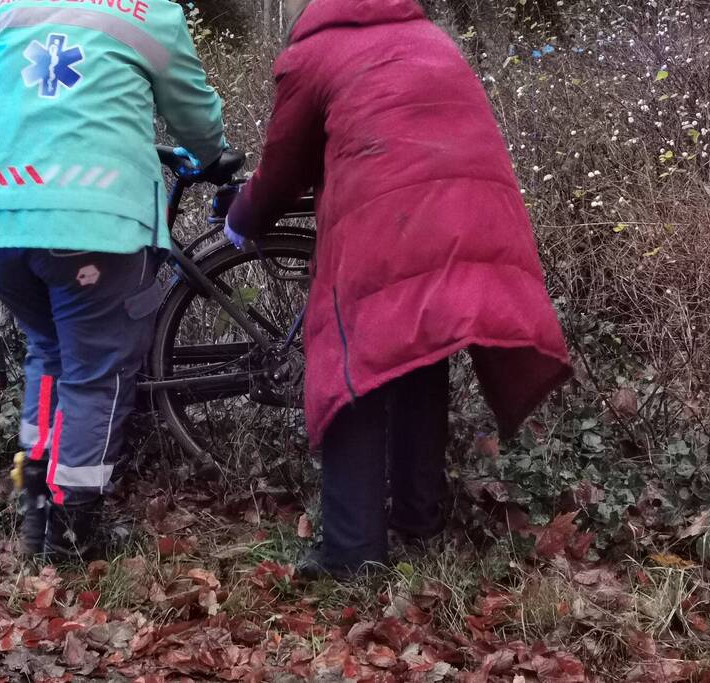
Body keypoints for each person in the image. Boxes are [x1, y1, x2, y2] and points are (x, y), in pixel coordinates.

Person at [222, 0, 573, 578]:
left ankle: (352, 553)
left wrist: (240, 218)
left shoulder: (314, 53)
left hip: (393, 223)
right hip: (473, 216)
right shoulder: (432, 39)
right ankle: (419, 519)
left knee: (351, 369)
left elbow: (283, 168)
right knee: (419, 352)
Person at [0, 0, 226, 561]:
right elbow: (194, 115)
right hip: (98, 227)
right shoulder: (148, 11)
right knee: (96, 372)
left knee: (48, 352)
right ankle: (70, 535)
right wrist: (213, 156)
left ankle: (34, 516)